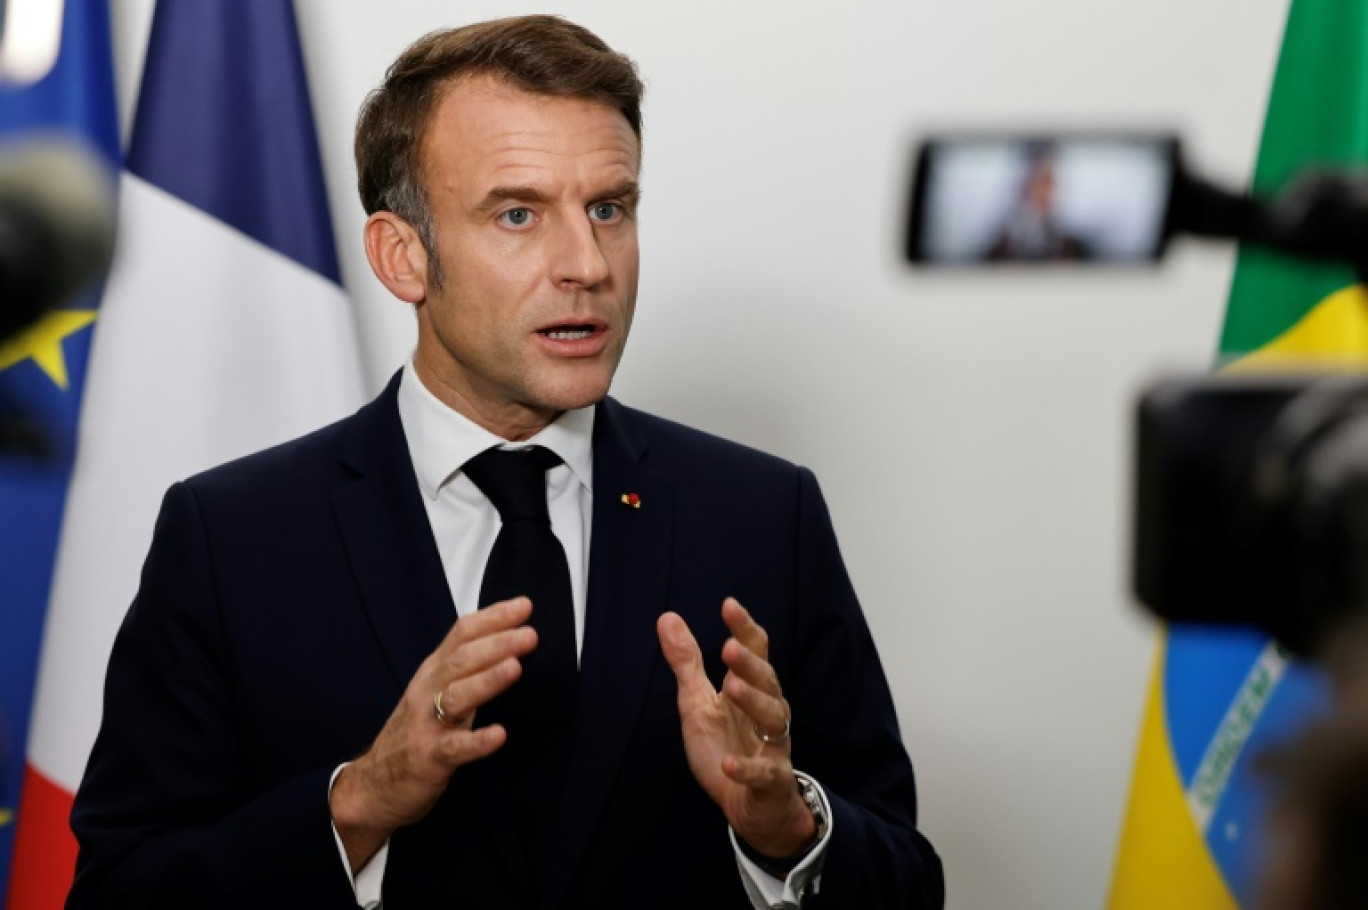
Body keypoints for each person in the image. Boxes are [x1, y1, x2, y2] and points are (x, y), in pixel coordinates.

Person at [67, 15, 943, 909]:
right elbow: (119, 891)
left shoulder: (763, 514)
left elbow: (909, 882)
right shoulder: (233, 537)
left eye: (610, 207)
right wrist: (359, 803)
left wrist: (786, 828)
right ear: (402, 256)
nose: (586, 263)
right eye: (518, 214)